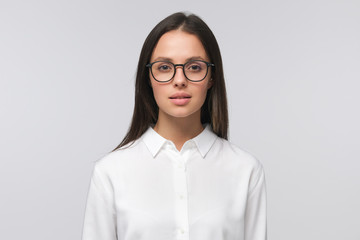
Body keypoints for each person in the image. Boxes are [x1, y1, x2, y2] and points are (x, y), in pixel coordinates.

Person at [82, 12, 267, 240]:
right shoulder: (110, 172)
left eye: (194, 67)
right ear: (148, 77)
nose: (179, 80)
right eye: (164, 67)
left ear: (211, 77)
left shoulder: (245, 170)